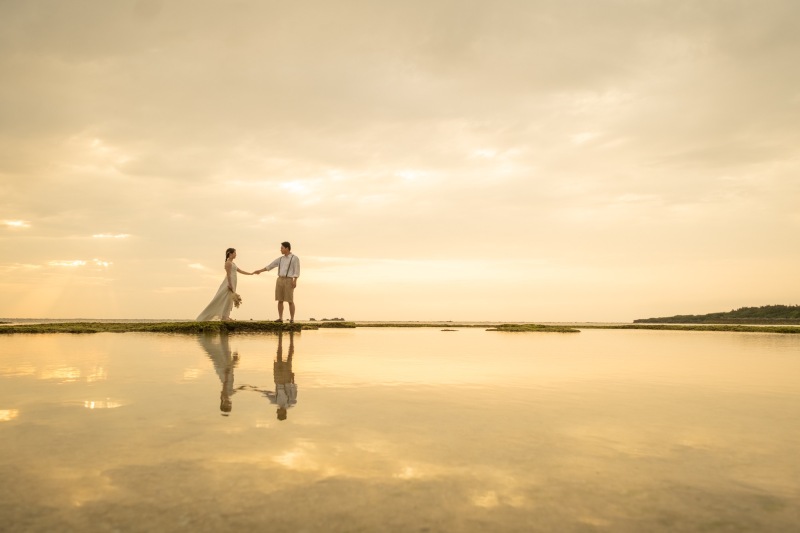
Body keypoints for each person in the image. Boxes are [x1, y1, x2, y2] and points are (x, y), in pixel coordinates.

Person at [197, 248, 254, 321]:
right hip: (228, 283)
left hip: (233, 282)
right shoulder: (228, 263)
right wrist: (230, 284)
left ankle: (226, 315)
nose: (236, 254)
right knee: (225, 298)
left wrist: (250, 273)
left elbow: (240, 271)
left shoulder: (233, 263)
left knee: (230, 299)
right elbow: (228, 275)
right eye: (235, 253)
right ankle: (224, 317)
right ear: (230, 254)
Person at [254, 241, 300, 323]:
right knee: (280, 299)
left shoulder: (294, 258)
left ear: (287, 248)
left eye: (282, 248)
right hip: (279, 279)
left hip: (289, 279)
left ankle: (292, 318)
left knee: (290, 300)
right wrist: (260, 271)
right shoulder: (280, 259)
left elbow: (296, 270)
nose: (280, 250)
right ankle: (280, 318)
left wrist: (295, 280)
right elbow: (270, 266)